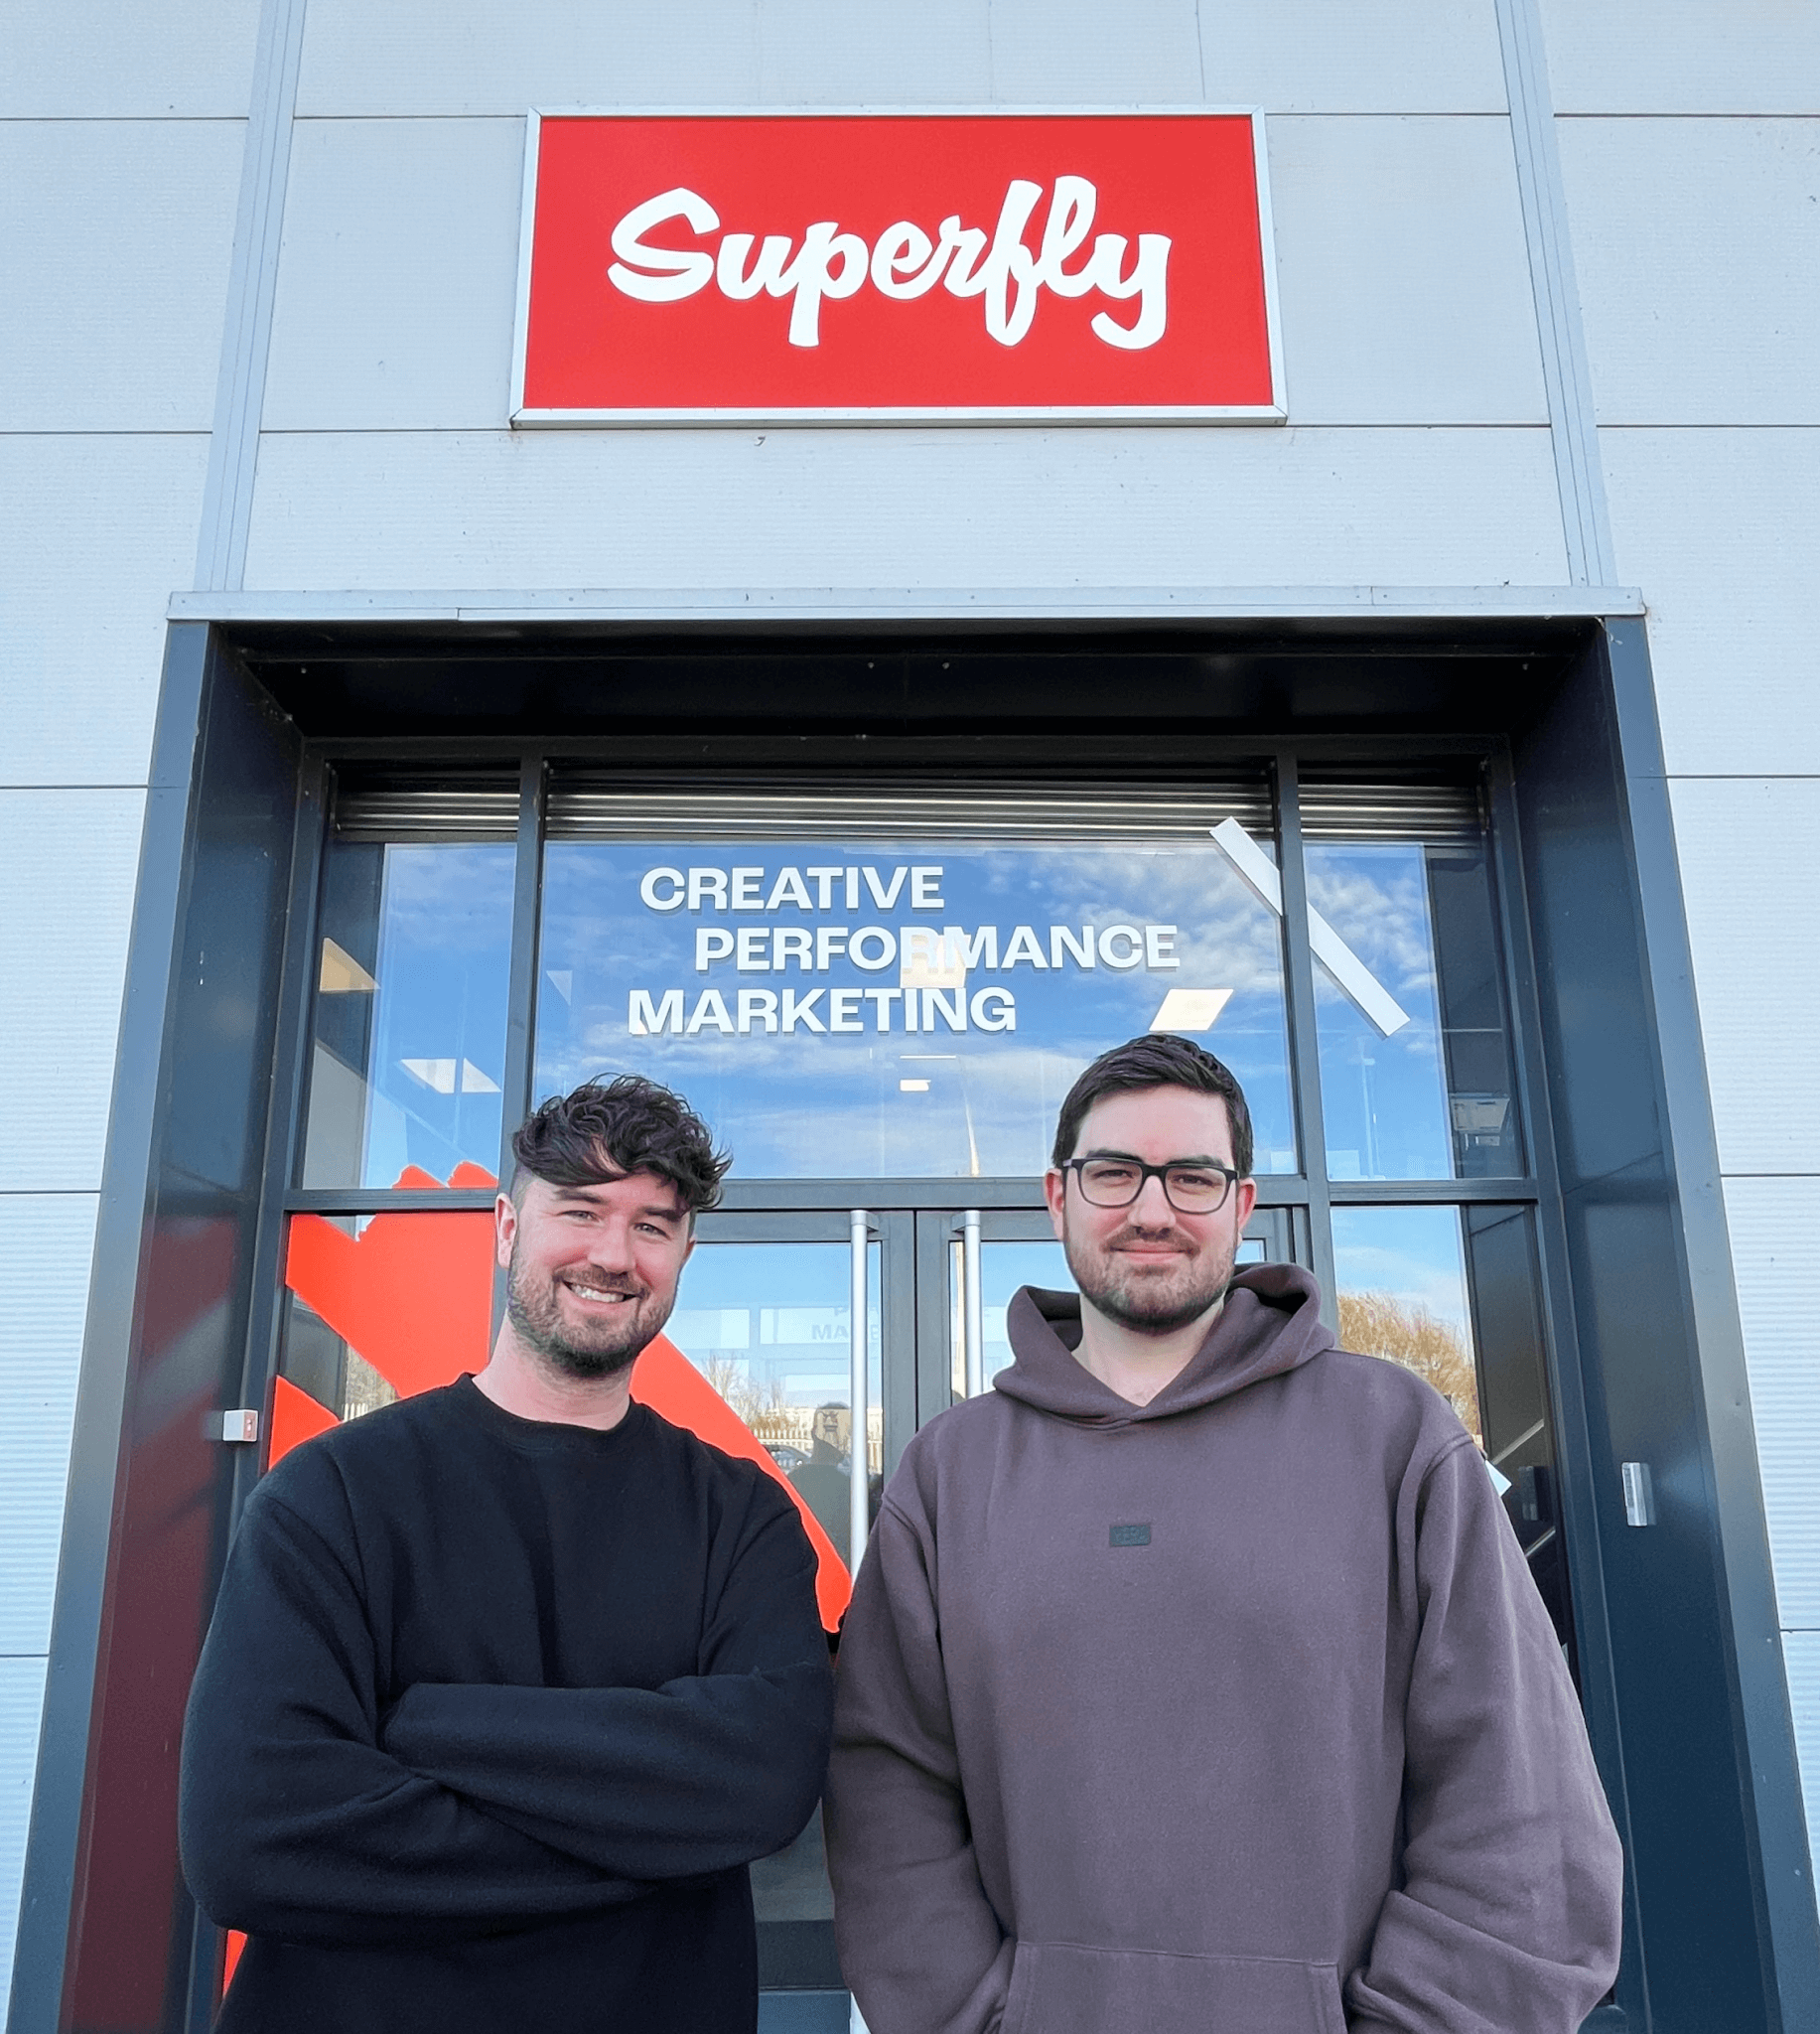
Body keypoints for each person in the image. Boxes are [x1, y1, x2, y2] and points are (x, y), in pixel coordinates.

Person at [825, 1034, 1623, 2034]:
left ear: (1241, 1206)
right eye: (1113, 1171)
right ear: (1056, 1194)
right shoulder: (949, 1470)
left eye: (1192, 1176)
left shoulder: (1394, 1435)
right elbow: (889, 1788)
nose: (1151, 1208)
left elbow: (1520, 1807)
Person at [181, 1076, 834, 2034]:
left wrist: (421, 1727)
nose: (613, 1255)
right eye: (580, 1211)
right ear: (504, 1228)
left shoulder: (739, 1516)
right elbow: (251, 1840)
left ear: (684, 1253)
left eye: (654, 1225)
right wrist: (647, 1834)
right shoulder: (335, 1494)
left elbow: (765, 1784)